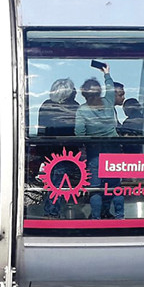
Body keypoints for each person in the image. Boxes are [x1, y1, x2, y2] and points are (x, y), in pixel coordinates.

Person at [75, 64, 124, 219]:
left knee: (95, 188)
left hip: (95, 152)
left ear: (83, 94)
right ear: (99, 91)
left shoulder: (82, 110)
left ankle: (96, 218)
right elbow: (110, 87)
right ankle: (119, 216)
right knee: (115, 187)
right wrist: (107, 73)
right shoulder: (109, 101)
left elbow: (79, 133)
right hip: (114, 149)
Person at [37, 78, 80, 217]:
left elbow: (42, 129)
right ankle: (52, 212)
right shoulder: (74, 107)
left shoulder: (46, 105)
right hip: (67, 151)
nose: (76, 92)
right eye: (73, 90)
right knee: (59, 181)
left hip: (49, 149)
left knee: (55, 180)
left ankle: (52, 211)